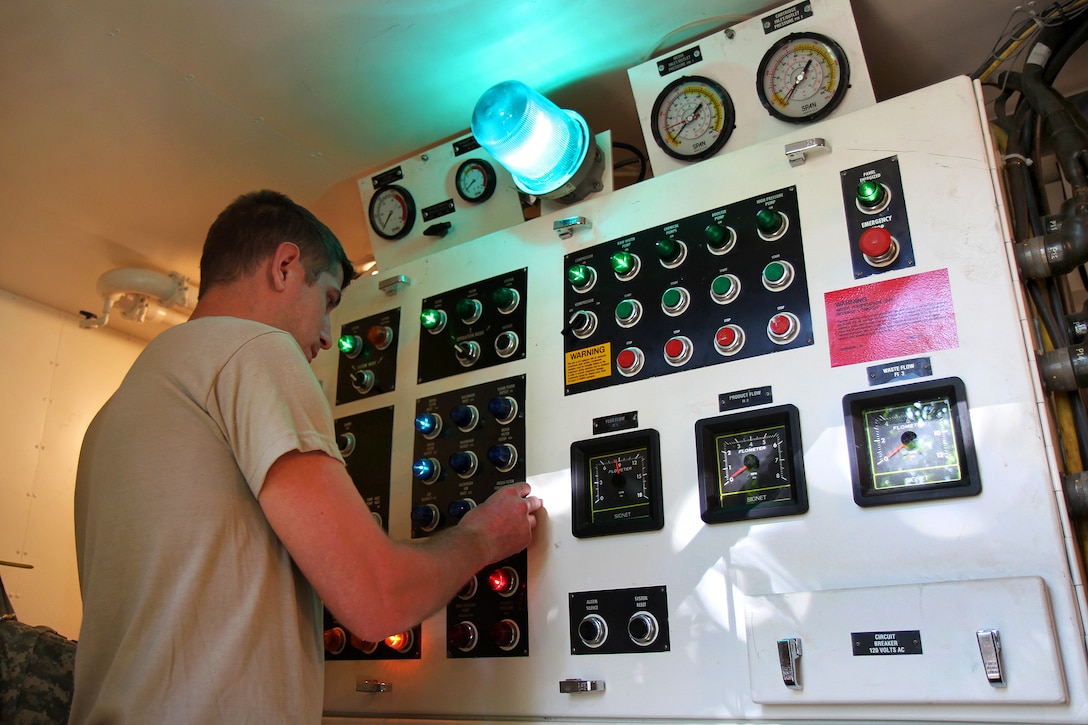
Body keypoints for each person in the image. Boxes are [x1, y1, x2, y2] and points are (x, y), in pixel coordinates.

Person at [70, 190, 543, 724]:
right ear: (285, 266)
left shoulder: (113, 413)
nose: (325, 336)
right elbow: (377, 601)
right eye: (329, 301)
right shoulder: (255, 350)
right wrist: (483, 536)